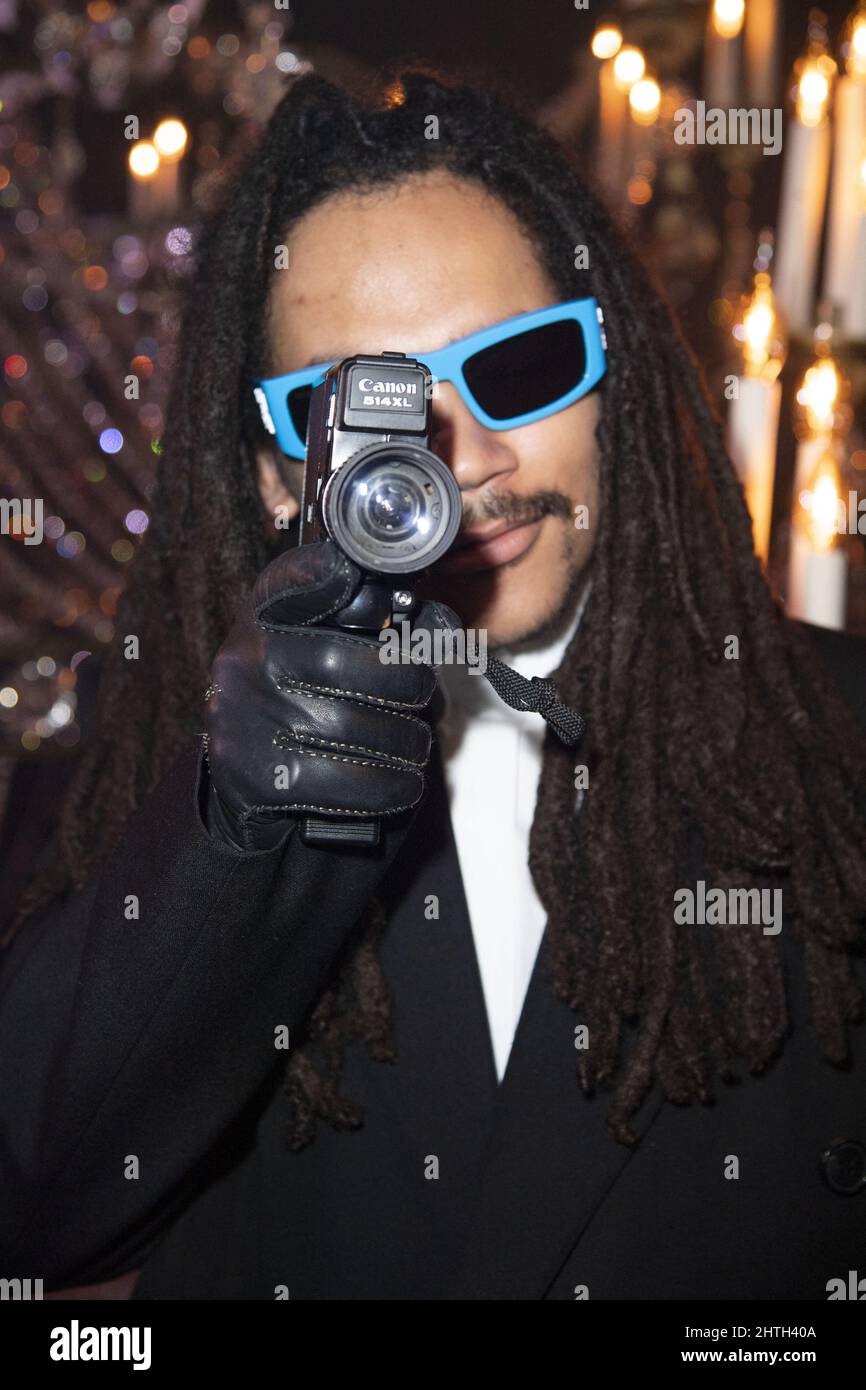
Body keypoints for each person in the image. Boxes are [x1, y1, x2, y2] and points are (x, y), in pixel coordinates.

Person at [2, 69, 866, 1302]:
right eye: (367, 414)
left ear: (607, 369)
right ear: (267, 472)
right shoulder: (146, 775)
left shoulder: (833, 751)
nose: (465, 463)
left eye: (517, 366)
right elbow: (38, 1214)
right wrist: (237, 836)